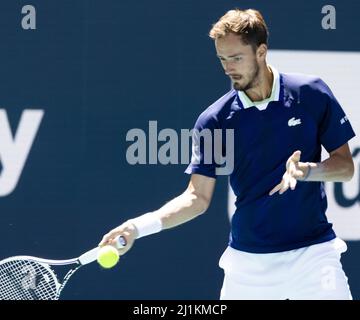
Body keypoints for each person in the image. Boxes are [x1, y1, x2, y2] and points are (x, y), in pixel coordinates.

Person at [99, 9, 356, 299]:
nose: (228, 68)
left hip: (314, 255)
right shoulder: (215, 119)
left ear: (261, 51)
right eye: (222, 59)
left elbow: (345, 167)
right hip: (248, 266)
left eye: (236, 58)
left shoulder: (311, 93)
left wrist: (308, 171)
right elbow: (197, 198)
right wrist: (137, 227)